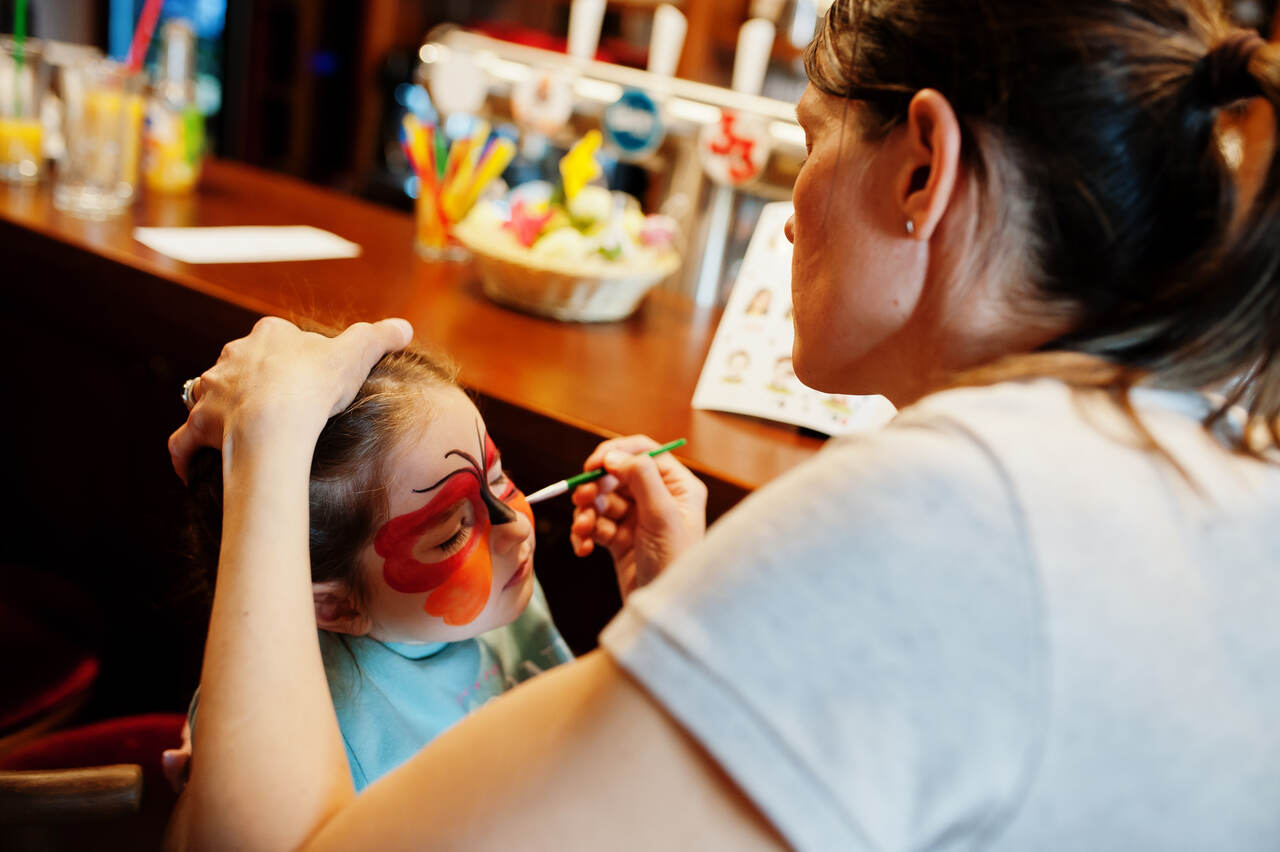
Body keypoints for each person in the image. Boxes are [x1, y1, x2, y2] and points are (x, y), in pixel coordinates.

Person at [166, 0, 1280, 848]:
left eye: (809, 144)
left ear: (922, 171)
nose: (790, 216)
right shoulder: (1206, 457)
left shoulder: (958, 508)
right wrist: (703, 633)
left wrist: (273, 433)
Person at [169, 346, 572, 792]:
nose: (515, 525)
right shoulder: (326, 744)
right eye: (452, 534)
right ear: (337, 604)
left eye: (497, 478)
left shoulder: (504, 589)